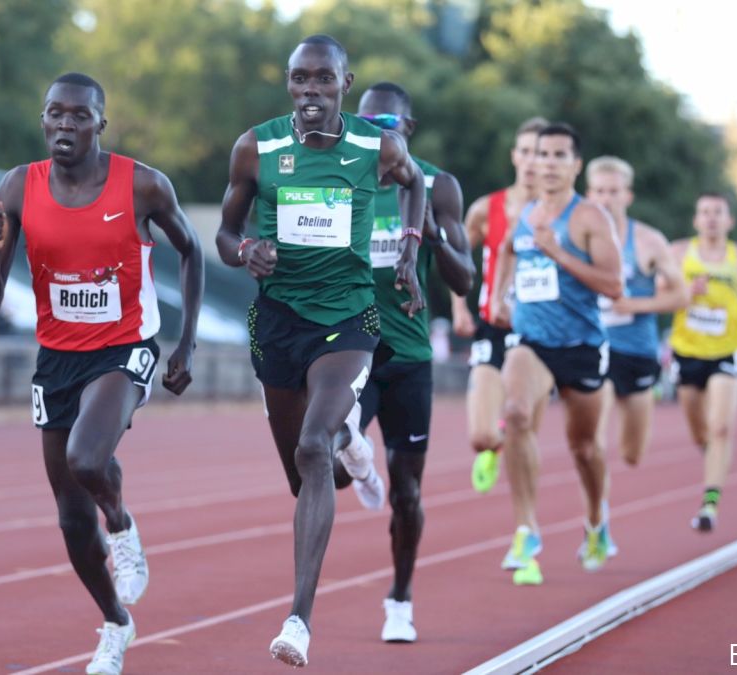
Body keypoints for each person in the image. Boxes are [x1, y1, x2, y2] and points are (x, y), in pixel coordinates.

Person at [0, 72, 203, 675]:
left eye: (79, 116)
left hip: (126, 346)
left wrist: (187, 344)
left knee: (86, 459)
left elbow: (192, 250)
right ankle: (116, 624)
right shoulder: (19, 186)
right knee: (72, 518)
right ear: (43, 120)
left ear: (101, 123)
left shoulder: (144, 185)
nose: (66, 126)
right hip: (57, 357)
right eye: (56, 114)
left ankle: (124, 529)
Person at [215, 35, 427, 667]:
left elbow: (414, 183)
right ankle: (355, 451)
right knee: (305, 472)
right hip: (277, 320)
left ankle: (299, 619)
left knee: (312, 445)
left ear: (345, 82)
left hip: (349, 317)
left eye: (323, 80)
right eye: (299, 80)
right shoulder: (257, 147)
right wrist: (244, 251)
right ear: (289, 85)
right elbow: (225, 232)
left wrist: (411, 252)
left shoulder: (376, 145)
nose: (310, 92)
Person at [353, 82, 474, 643]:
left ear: (409, 127)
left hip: (408, 357)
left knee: (407, 492)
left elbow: (464, 280)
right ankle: (357, 460)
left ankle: (399, 598)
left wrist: (430, 240)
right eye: (367, 120)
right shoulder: (334, 176)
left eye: (388, 121)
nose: (378, 131)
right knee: (322, 463)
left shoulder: (436, 184)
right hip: (347, 350)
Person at [489, 123, 623, 583]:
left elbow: (614, 285)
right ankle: (527, 529)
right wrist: (500, 295)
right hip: (532, 342)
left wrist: (558, 252)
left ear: (575, 165)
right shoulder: (524, 212)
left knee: (584, 448)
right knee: (516, 413)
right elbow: (508, 250)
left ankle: (595, 520)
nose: (547, 163)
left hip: (582, 346)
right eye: (541, 154)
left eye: (559, 155)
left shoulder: (589, 218)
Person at [451, 117, 548, 495]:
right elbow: (456, 257)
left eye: (540, 154)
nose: (531, 161)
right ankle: (496, 439)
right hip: (493, 327)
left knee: (526, 433)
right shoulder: (485, 209)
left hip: (540, 334)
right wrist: (460, 309)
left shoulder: (564, 215)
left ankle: (527, 526)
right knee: (480, 435)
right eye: (524, 151)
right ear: (514, 156)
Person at [669, 192, 737, 532]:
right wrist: (687, 291)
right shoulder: (678, 252)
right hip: (687, 351)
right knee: (700, 432)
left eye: (718, 212)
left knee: (721, 428)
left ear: (730, 221)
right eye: (705, 212)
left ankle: (709, 504)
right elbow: (661, 292)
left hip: (728, 349)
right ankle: (714, 456)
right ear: (695, 220)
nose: (711, 218)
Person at [585, 157, 686, 467]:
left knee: (632, 453)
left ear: (627, 195)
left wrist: (637, 304)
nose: (606, 198)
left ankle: (648, 393)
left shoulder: (648, 241)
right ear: (589, 194)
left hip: (637, 351)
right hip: (595, 347)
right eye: (599, 191)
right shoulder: (578, 238)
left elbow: (682, 295)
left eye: (613, 191)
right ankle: (597, 513)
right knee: (591, 440)